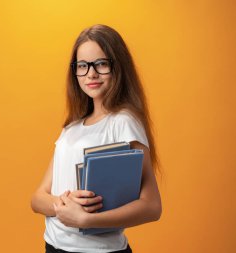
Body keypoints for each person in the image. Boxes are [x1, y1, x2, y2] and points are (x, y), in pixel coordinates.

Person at [31, 24, 162, 253]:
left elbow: (151, 206)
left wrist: (85, 220)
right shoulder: (71, 128)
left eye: (101, 64)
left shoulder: (123, 122)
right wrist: (62, 205)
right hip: (53, 246)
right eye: (82, 66)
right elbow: (37, 198)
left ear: (118, 67)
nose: (91, 74)